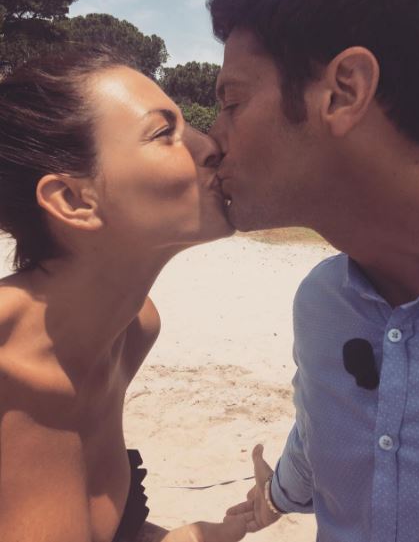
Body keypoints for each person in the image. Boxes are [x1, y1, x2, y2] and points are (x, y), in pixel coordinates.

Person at [208, 0, 419, 541]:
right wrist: (275, 496)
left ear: (344, 92)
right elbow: (320, 426)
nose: (211, 141)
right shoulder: (323, 304)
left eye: (231, 103)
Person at [0, 48, 246, 542]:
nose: (210, 145)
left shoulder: (132, 332)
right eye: (164, 133)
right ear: (73, 199)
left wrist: (189, 536)